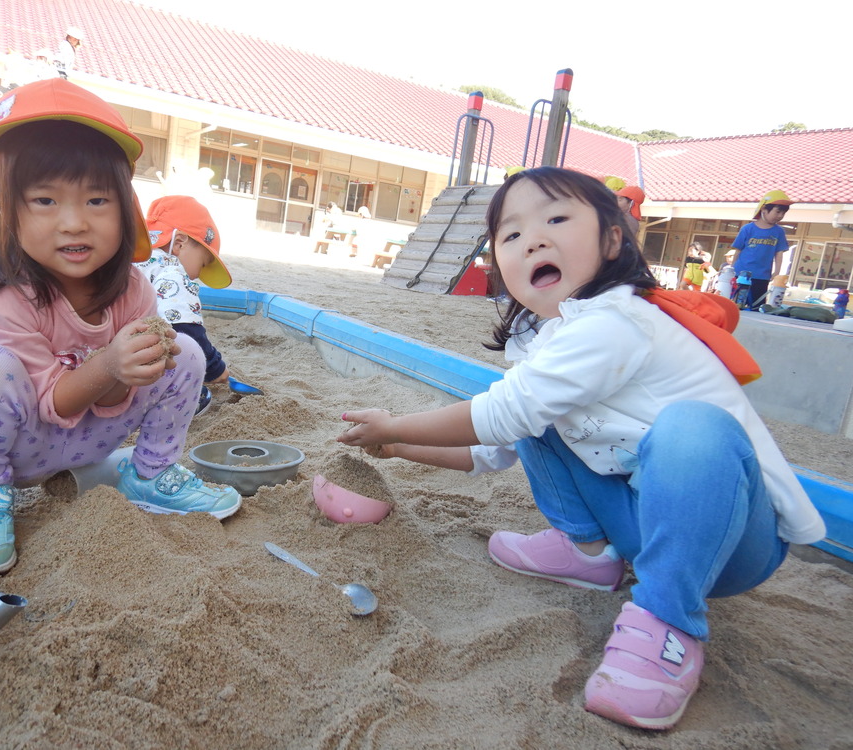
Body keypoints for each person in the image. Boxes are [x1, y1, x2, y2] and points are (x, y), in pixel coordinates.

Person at [337, 166, 824, 731]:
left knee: (694, 429)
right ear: (499, 264)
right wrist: (394, 447)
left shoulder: (617, 319)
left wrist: (394, 424)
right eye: (512, 234)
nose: (535, 239)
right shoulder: (541, 342)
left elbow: (498, 416)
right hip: (646, 528)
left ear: (613, 239)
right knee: (537, 420)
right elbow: (493, 448)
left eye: (558, 219)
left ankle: (669, 624)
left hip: (735, 541)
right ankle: (590, 553)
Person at [0, 78, 241, 574]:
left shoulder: (135, 289)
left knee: (182, 351)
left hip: (93, 437)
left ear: (126, 212)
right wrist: (110, 360)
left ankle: (150, 475)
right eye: (45, 201)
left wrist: (127, 369)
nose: (74, 223)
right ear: (5, 211)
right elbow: (53, 401)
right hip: (15, 445)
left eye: (96, 201)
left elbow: (112, 399)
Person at [136, 195, 233, 416]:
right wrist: (215, 368)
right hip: (131, 372)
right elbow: (187, 330)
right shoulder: (171, 272)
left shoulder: (132, 259)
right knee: (185, 357)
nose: (197, 275)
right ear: (179, 243)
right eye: (202, 263)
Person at [730, 189, 794, 309]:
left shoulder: (779, 231)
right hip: (741, 274)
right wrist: (733, 270)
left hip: (762, 276)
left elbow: (779, 253)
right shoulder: (747, 229)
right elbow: (738, 250)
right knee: (736, 305)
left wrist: (777, 273)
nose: (780, 216)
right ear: (764, 209)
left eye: (783, 213)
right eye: (778, 212)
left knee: (756, 307)